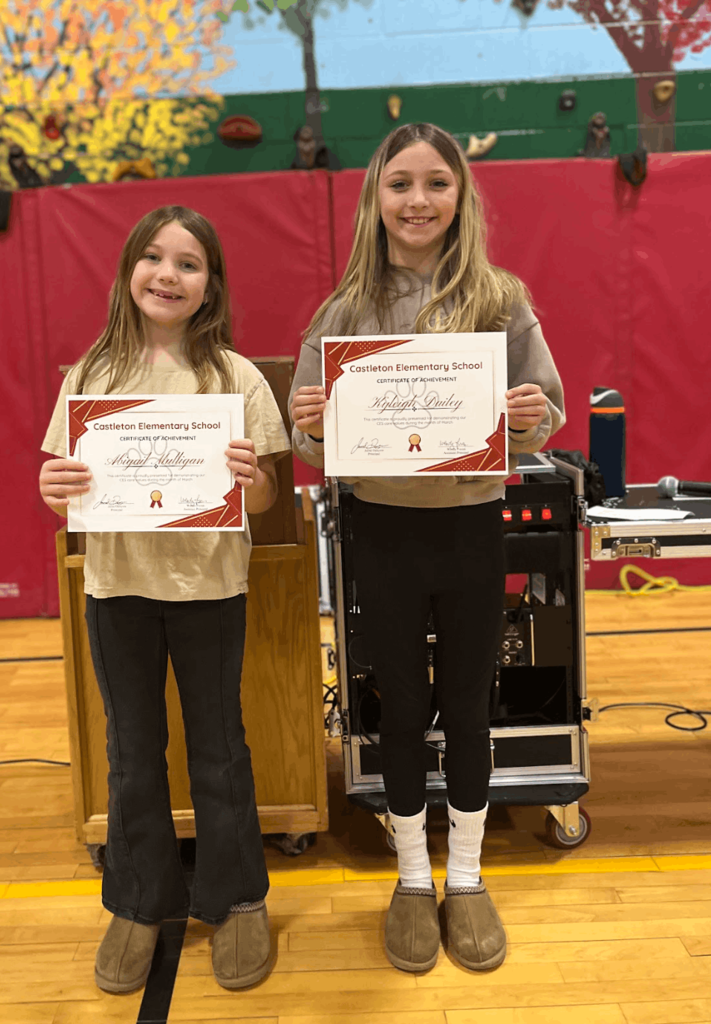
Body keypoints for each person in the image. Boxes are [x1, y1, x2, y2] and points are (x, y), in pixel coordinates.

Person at [289, 123, 565, 974]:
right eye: (399, 184)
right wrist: (308, 425)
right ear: (375, 197)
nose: (417, 200)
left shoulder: (499, 300)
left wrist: (527, 417)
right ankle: (413, 879)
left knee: (470, 708)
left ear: (461, 197)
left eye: (435, 184)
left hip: (469, 525)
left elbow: (547, 413)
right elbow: (310, 445)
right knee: (401, 709)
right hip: (382, 529)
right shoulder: (343, 311)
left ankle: (468, 876)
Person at [39, 206, 290, 993]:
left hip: (211, 589)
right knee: (131, 755)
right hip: (117, 591)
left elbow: (271, 492)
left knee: (219, 751)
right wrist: (53, 490)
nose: (167, 275)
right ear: (127, 272)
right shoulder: (91, 376)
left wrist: (253, 485)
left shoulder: (235, 376)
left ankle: (238, 898)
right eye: (153, 258)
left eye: (188, 263)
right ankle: (139, 902)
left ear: (209, 284)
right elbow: (63, 488)